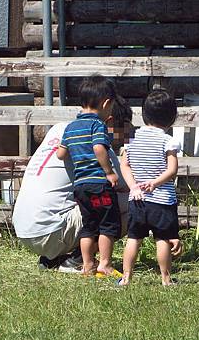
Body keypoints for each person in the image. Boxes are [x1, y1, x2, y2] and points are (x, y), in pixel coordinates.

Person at [12, 80, 182, 273]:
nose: (128, 135)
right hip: (52, 230)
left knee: (90, 199)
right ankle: (78, 261)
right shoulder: (98, 140)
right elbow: (126, 185)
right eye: (125, 128)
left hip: (25, 228)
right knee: (132, 201)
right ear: (109, 121)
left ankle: (56, 257)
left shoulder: (61, 128)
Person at [55, 74, 122, 276]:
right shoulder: (98, 125)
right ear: (106, 103)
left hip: (81, 187)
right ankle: (105, 263)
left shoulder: (70, 127)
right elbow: (99, 149)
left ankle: (87, 265)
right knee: (108, 225)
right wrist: (109, 172)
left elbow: (61, 154)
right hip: (99, 184)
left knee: (88, 225)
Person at [119, 89, 181, 286]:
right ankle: (166, 279)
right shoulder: (167, 140)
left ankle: (126, 278)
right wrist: (155, 183)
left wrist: (133, 187)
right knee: (162, 239)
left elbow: (125, 165)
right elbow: (172, 170)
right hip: (162, 200)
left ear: (144, 114)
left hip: (137, 200)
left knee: (133, 238)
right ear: (172, 117)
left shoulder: (132, 139)